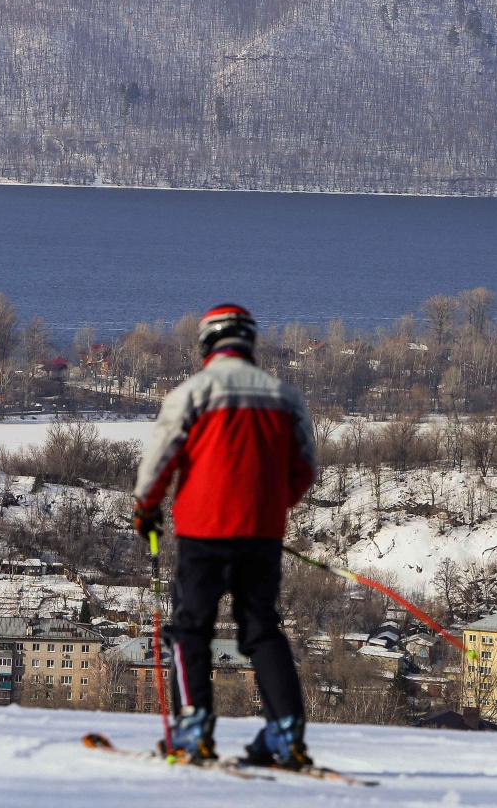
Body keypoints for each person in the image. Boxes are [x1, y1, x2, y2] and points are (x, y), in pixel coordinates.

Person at [132, 304, 316, 768]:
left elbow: (161, 458)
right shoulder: (285, 396)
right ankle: (286, 735)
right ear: (248, 343)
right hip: (262, 532)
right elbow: (305, 469)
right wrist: (271, 508)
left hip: (203, 530)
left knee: (191, 627)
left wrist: (146, 509)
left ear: (207, 344)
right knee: (262, 629)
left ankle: (193, 734)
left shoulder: (192, 392)